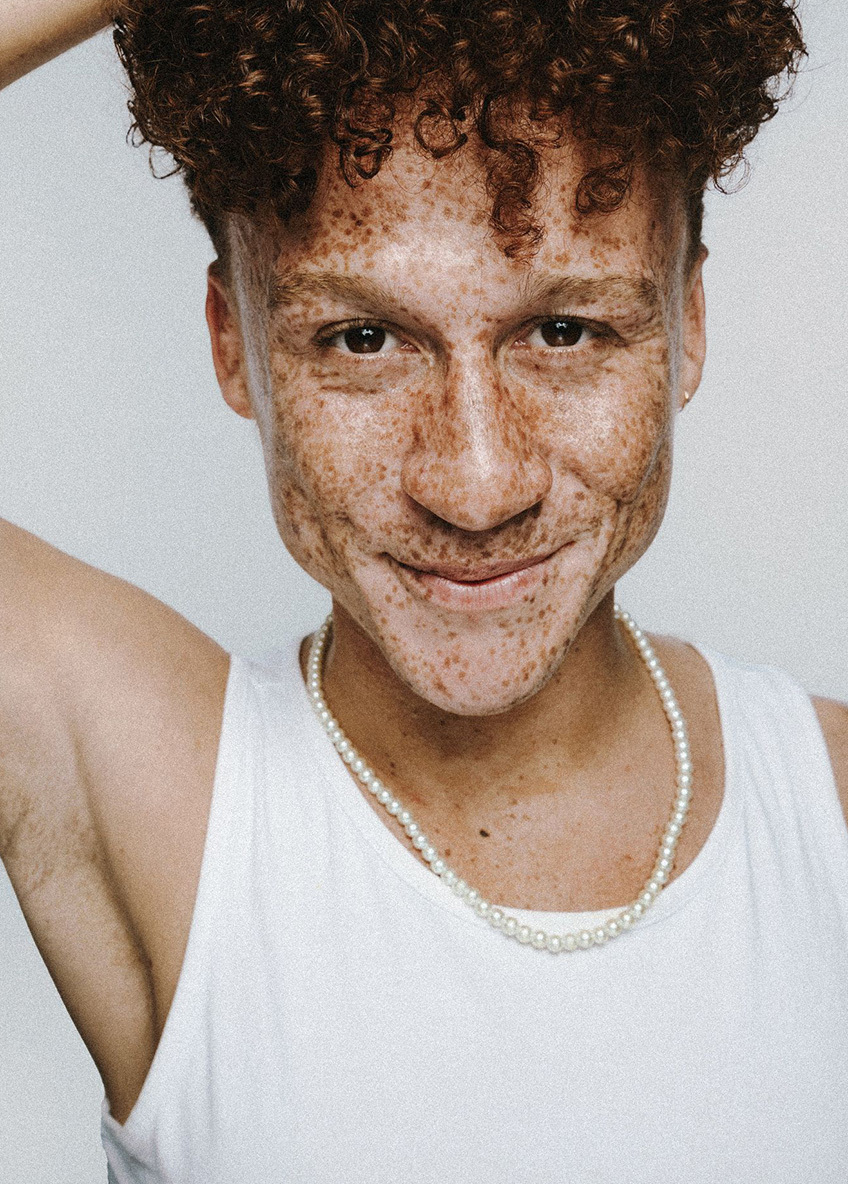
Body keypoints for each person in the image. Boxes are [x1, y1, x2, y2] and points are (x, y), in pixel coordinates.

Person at [1, 2, 846, 1182]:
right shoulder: (159, 800)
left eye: (563, 329)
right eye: (361, 340)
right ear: (232, 340)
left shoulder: (827, 809)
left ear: (685, 323)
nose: (476, 482)